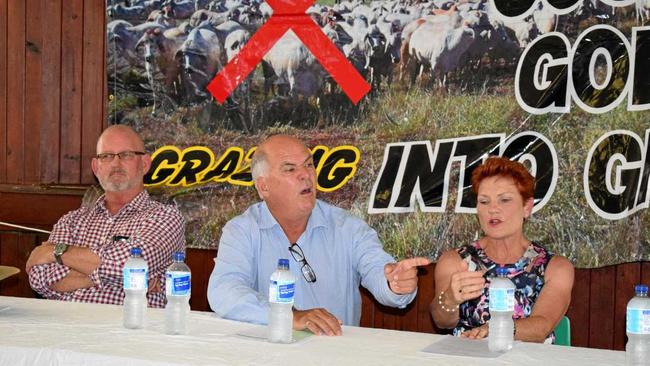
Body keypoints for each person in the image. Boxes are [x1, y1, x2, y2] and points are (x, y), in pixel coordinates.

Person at [207, 134, 430, 336]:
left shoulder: (347, 228)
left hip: (334, 355)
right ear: (264, 187)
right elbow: (224, 291)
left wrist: (395, 284)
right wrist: (287, 316)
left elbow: (379, 272)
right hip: (267, 355)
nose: (305, 175)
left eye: (309, 164)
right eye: (290, 169)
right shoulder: (242, 230)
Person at [26, 125, 185, 308]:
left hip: (131, 330)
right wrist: (127, 280)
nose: (116, 164)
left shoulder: (166, 218)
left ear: (145, 164)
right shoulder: (72, 221)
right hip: (69, 329)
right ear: (96, 167)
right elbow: (39, 277)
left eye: (126, 155)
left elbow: (124, 265)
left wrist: (55, 252)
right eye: (107, 156)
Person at [430, 156, 574, 343]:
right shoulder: (456, 261)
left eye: (505, 200)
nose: (493, 209)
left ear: (527, 207)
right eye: (484, 202)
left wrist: (497, 328)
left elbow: (542, 326)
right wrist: (449, 299)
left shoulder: (555, 267)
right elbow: (442, 321)